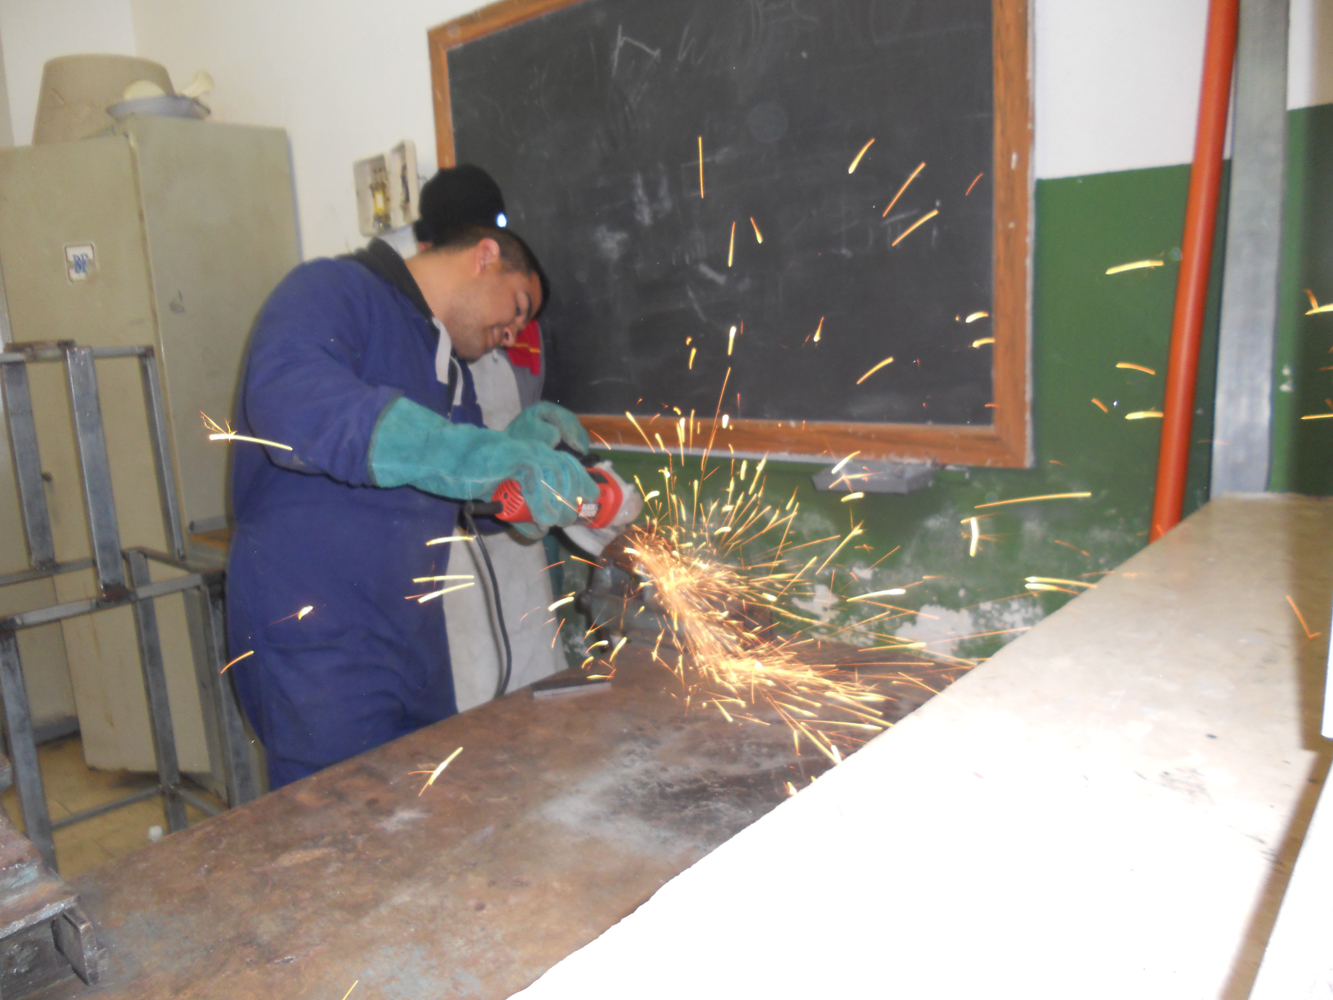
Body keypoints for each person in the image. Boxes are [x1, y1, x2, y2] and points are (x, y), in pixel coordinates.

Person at [226, 213, 596, 790]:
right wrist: (478, 458)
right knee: (337, 821)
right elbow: (290, 402)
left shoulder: (446, 364)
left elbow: (456, 487)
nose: (512, 335)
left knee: (429, 809)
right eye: (518, 308)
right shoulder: (331, 289)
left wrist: (518, 468)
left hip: (413, 635)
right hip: (320, 632)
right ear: (484, 256)